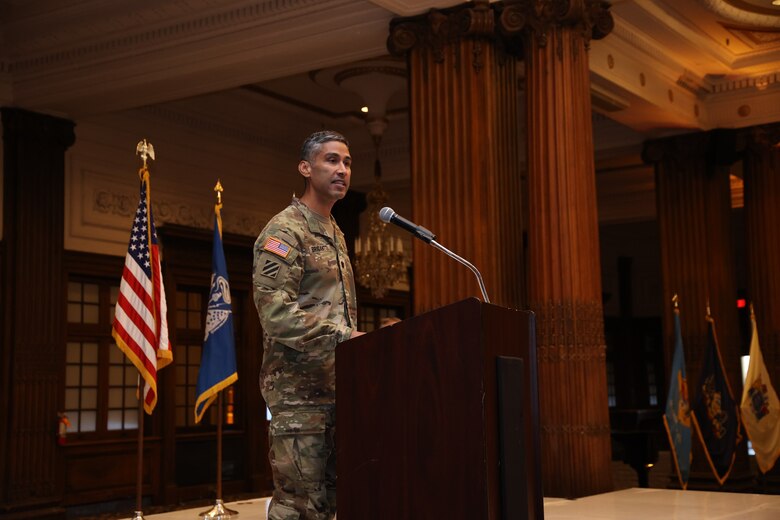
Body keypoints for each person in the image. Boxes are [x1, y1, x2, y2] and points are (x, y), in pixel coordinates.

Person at [253, 130, 364, 520]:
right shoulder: (285, 232)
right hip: (299, 397)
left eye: (347, 162)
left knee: (333, 506)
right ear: (305, 168)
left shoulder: (334, 232)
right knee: (299, 509)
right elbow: (276, 314)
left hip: (338, 390)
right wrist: (347, 338)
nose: (342, 170)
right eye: (331, 160)